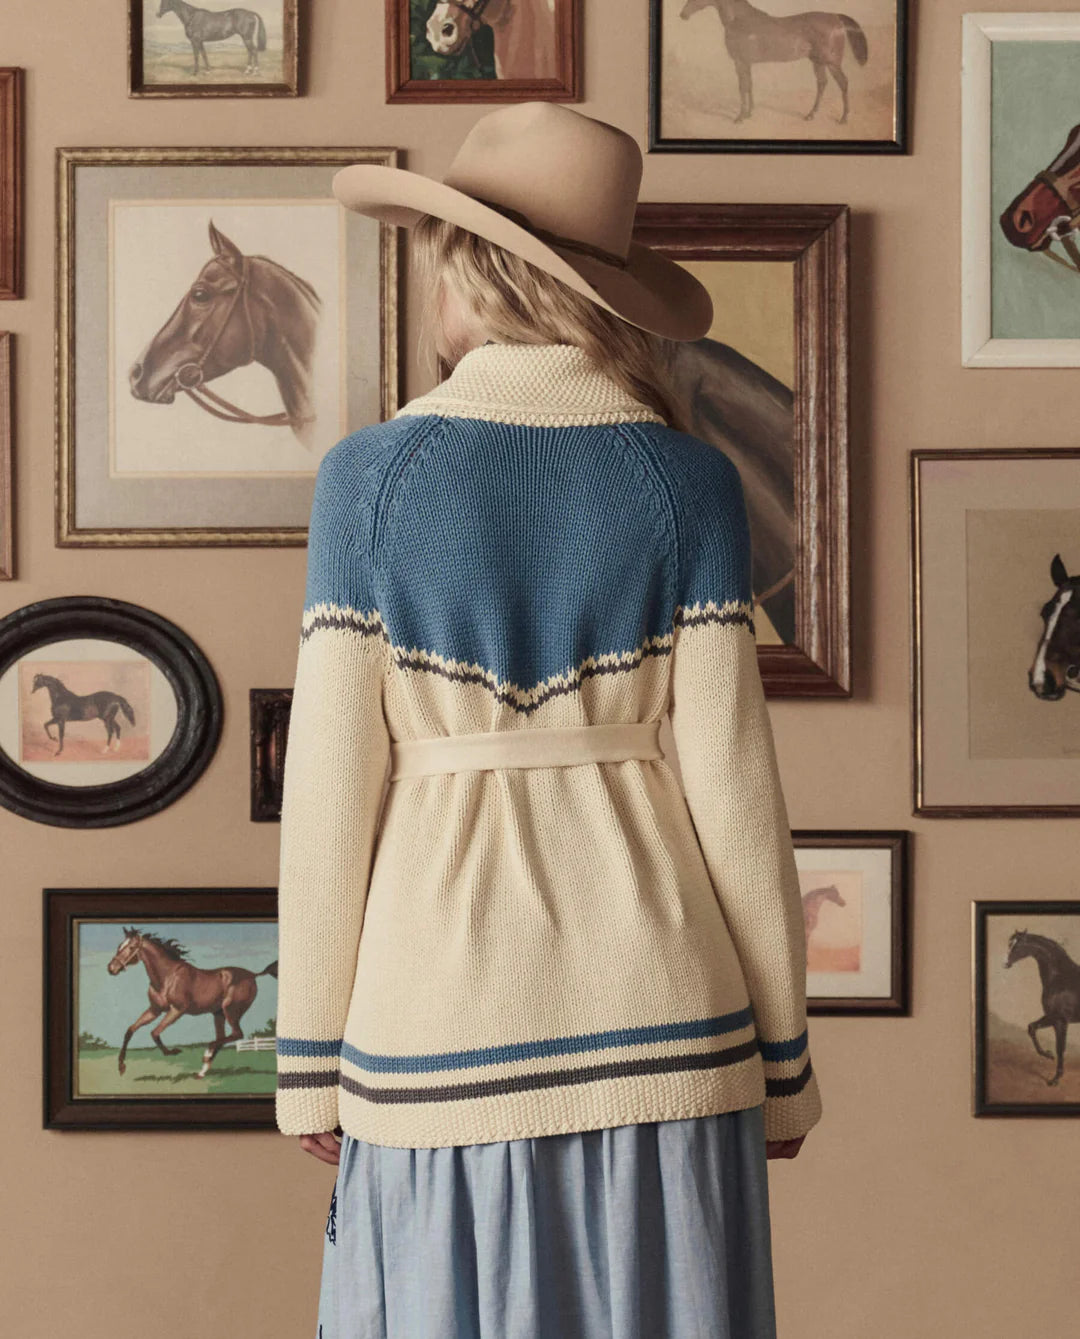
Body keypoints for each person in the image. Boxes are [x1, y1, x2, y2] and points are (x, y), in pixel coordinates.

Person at [274, 101, 822, 1339]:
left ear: (468, 264)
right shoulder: (687, 482)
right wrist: (781, 1064)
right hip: (671, 1020)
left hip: (433, 1025)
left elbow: (330, 788)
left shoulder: (371, 479)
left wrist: (308, 1051)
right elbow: (736, 793)